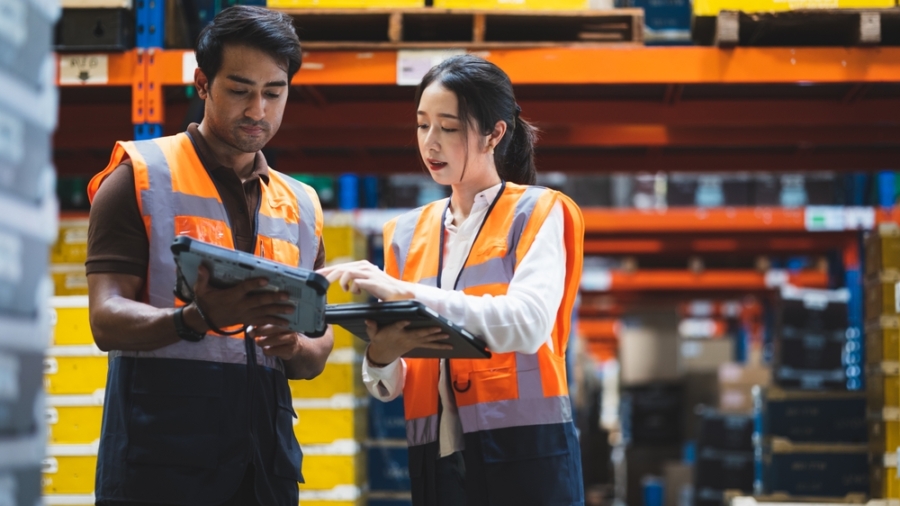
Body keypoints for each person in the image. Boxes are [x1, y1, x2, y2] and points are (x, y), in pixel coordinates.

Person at [84, 6, 334, 505]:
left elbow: (317, 344)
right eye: (240, 90)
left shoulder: (302, 204)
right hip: (158, 464)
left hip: (264, 466)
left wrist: (295, 347)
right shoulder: (138, 177)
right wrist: (192, 319)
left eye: (273, 93)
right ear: (202, 84)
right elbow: (104, 318)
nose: (258, 110)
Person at [319, 55, 585, 506]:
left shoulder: (540, 213)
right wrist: (381, 358)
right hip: (436, 462)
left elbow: (528, 322)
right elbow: (400, 374)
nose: (430, 143)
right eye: (423, 125)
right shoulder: (405, 234)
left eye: (448, 127)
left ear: (494, 134)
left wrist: (403, 291)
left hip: (526, 452)